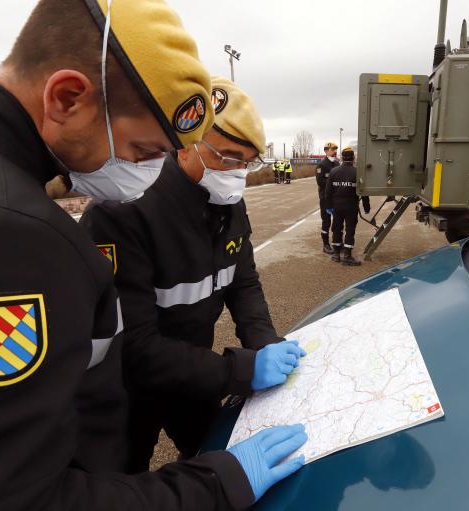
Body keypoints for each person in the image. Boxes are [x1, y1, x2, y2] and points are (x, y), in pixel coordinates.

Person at [0, 1, 305, 509]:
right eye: (144, 152)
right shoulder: (1, 230)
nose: (147, 172)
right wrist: (212, 487)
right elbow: (6, 493)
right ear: (67, 97)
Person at [81, 76, 304, 472]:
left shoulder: (227, 204)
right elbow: (133, 343)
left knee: (210, 459)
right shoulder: (123, 212)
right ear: (185, 144)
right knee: (124, 480)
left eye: (247, 161)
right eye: (227, 157)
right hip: (126, 387)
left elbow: (243, 283)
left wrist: (266, 344)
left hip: (194, 374)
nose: (237, 173)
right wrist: (242, 370)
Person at [325, 147, 371, 266]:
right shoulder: (357, 173)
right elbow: (363, 192)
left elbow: (328, 192)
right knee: (350, 230)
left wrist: (328, 206)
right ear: (353, 158)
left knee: (337, 228)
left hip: (337, 207)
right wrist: (367, 207)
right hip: (351, 206)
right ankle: (347, 256)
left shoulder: (334, 171)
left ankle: (336, 254)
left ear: (342, 157)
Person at [315, 142, 340, 254]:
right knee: (326, 221)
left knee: (338, 221)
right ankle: (326, 245)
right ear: (326, 151)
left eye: (335, 149)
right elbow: (320, 182)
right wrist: (334, 183)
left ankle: (337, 243)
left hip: (336, 198)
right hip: (325, 198)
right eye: (332, 149)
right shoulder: (321, 165)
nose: (334, 151)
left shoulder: (337, 163)